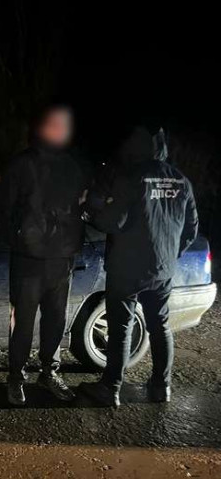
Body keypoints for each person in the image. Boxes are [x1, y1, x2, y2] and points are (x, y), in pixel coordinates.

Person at [80, 127, 198, 407]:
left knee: (121, 327)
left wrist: (89, 211)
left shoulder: (132, 177)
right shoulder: (181, 180)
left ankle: (111, 388)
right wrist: (169, 255)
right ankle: (161, 387)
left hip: (127, 268)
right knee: (160, 326)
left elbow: (113, 221)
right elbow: (191, 229)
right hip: (162, 270)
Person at [1, 104, 89, 406]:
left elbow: (81, 205)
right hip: (27, 260)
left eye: (64, 124)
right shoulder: (22, 164)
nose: (59, 129)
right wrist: (20, 238)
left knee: (55, 321)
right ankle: (16, 376)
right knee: (22, 324)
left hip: (62, 260)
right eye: (53, 124)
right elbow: (4, 209)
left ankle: (50, 372)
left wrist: (74, 237)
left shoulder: (73, 166)